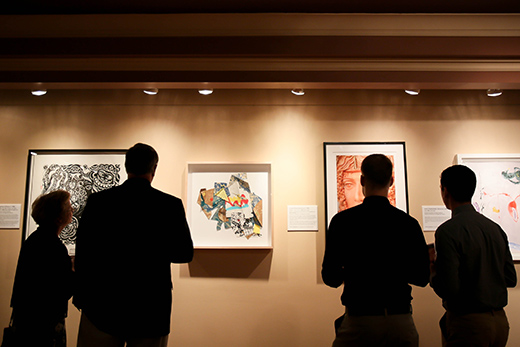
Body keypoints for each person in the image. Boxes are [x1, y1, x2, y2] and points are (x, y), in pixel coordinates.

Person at [73, 143, 194, 347]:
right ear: (154, 169)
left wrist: (82, 296)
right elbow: (184, 254)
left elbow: (84, 252)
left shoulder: (99, 202)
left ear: (126, 166)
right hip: (150, 305)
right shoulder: (169, 205)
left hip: (102, 303)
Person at [322, 154, 430, 347]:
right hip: (399, 319)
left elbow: (331, 278)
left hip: (359, 321)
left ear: (362, 180)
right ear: (391, 181)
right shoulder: (408, 224)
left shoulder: (342, 222)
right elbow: (422, 277)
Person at [431, 165, 517, 347]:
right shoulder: (495, 229)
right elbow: (511, 278)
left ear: (445, 191)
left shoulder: (447, 231)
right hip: (500, 321)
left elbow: (450, 289)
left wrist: (433, 272)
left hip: (468, 324)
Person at [10, 190, 74, 347]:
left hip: (28, 320)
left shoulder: (35, 239)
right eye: (68, 206)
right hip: (45, 323)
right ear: (58, 217)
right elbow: (62, 288)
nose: (72, 209)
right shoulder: (52, 246)